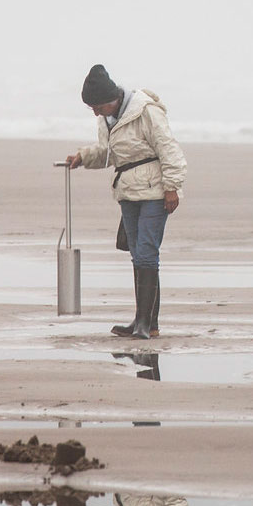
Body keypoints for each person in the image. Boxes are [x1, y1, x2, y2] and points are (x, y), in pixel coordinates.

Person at [64, 64, 186, 339]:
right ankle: (146, 324)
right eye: (91, 108)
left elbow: (169, 148)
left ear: (112, 99)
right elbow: (108, 154)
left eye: (97, 107)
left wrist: (172, 187)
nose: (95, 112)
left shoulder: (146, 111)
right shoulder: (106, 119)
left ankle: (143, 323)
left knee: (146, 252)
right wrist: (83, 157)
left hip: (155, 191)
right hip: (128, 192)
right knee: (138, 255)